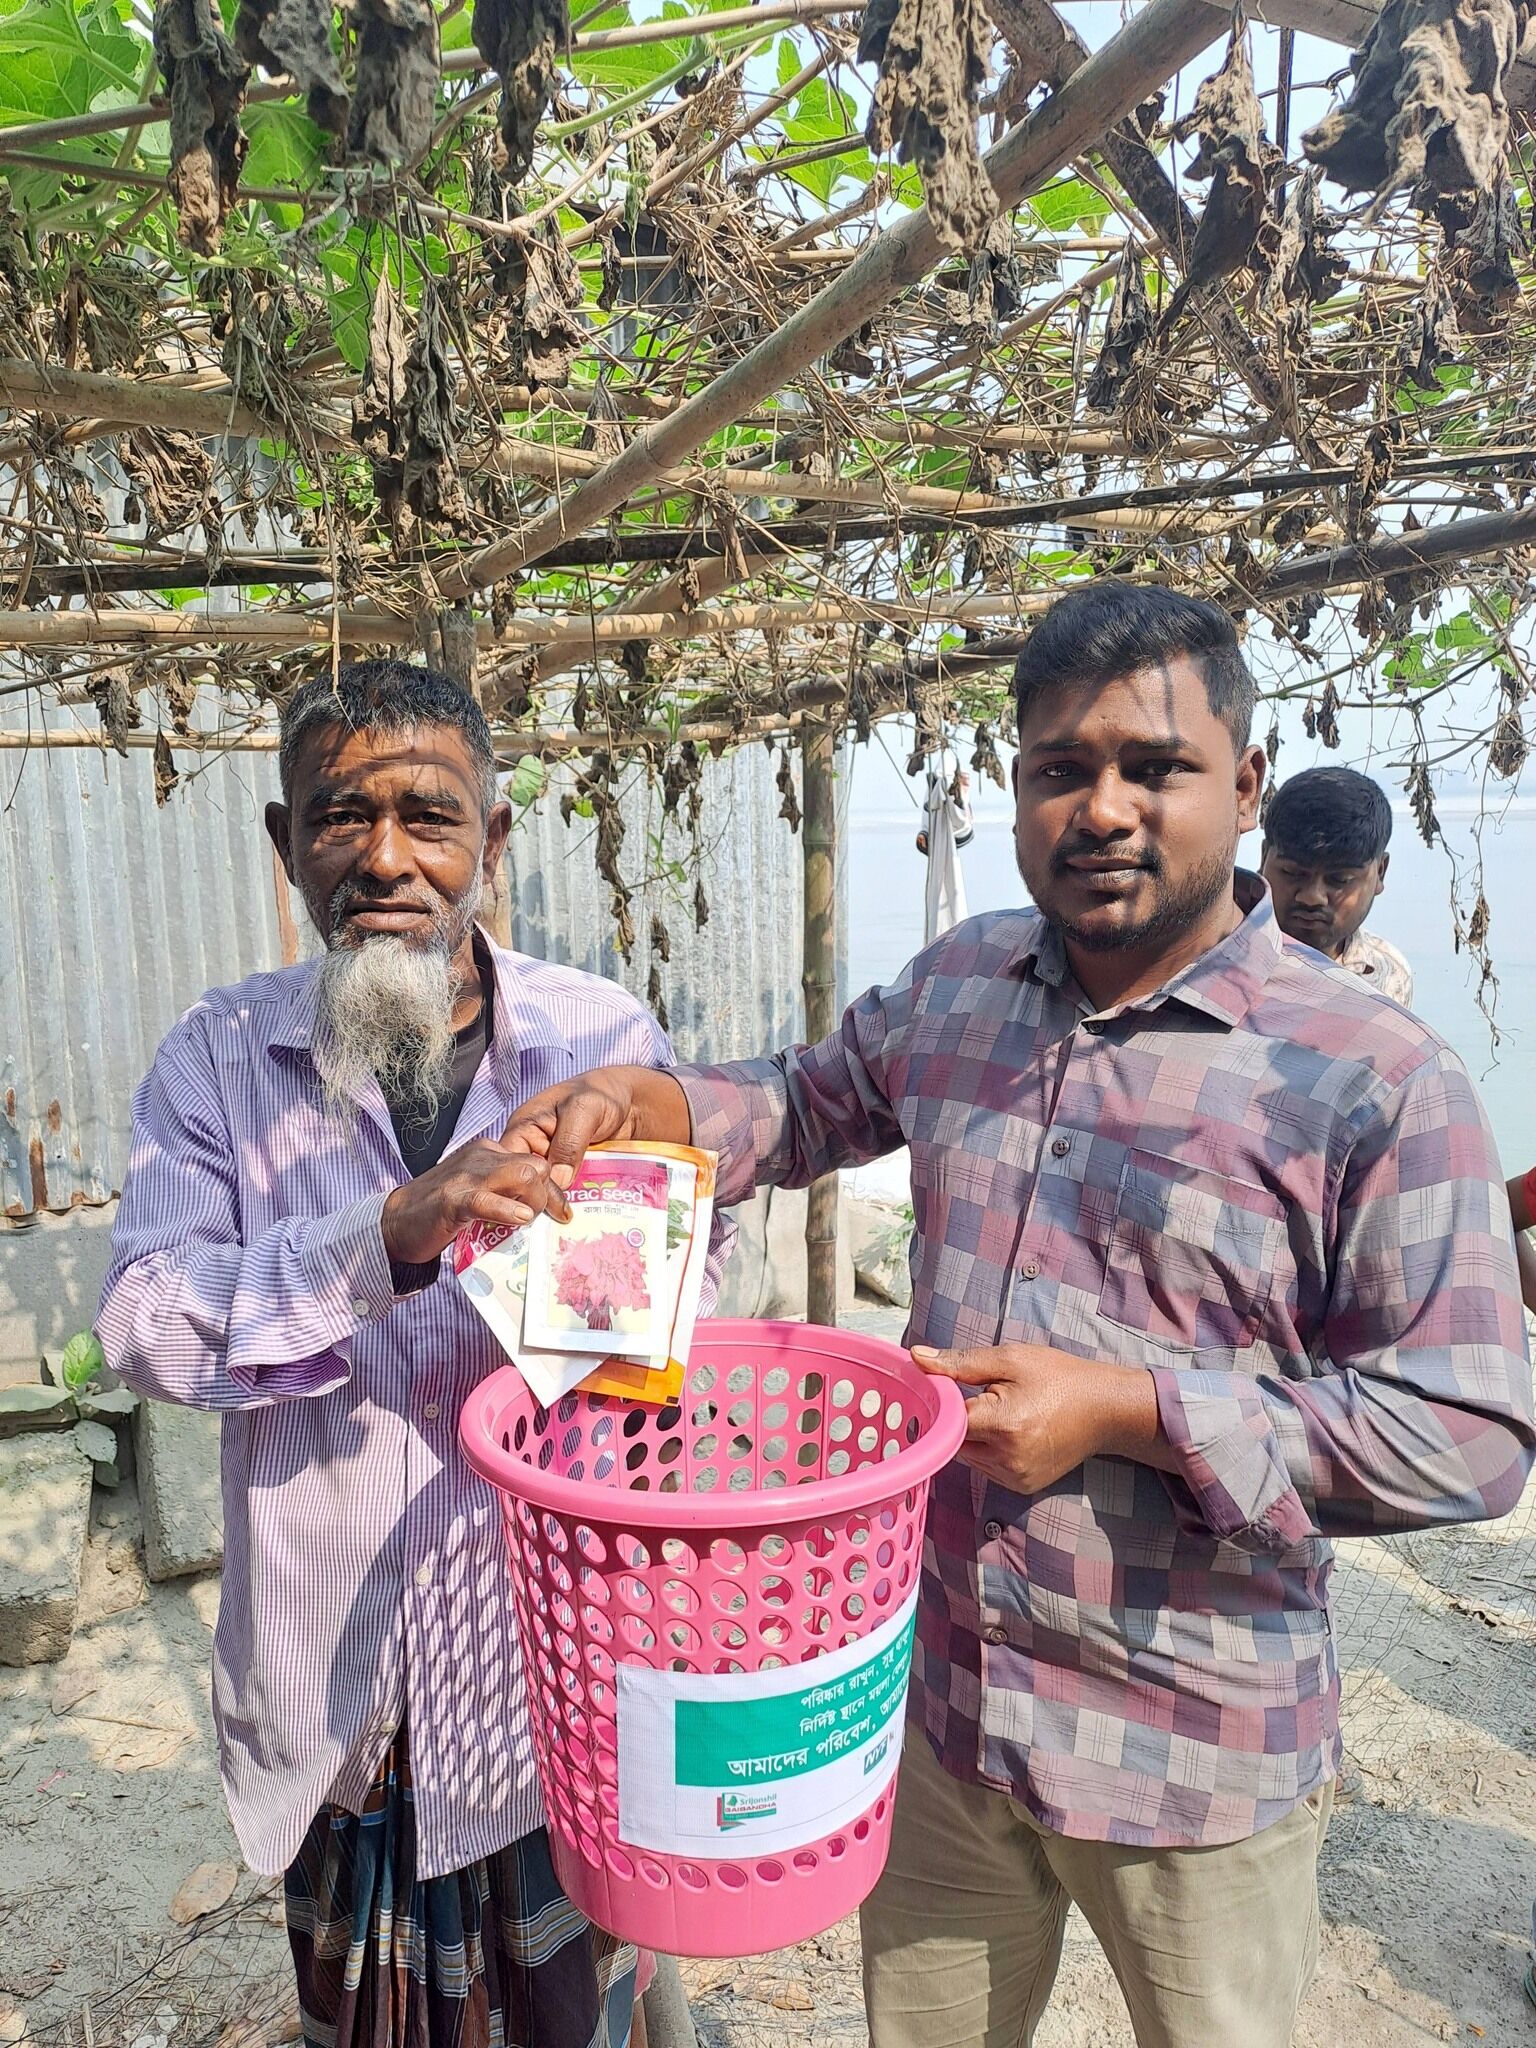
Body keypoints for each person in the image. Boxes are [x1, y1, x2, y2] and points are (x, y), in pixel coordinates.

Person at [499, 583, 1534, 2048]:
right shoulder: (965, 985)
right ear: (1016, 785)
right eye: (1062, 768)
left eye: (1154, 768)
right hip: (942, 1717)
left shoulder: (1372, 1073)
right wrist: (656, 1105)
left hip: (1197, 1750)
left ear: (1242, 786)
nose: (1103, 808)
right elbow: (807, 1099)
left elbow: (1474, 1431)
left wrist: (1131, 1410)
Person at [97, 662, 726, 2048]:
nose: (385, 856)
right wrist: (382, 1238)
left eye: (429, 816)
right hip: (342, 1701)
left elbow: (694, 1305)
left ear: (492, 843)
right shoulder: (217, 1059)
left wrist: (610, 1281)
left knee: (585, 2018)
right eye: (341, 816)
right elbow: (143, 1315)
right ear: (285, 846)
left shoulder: (602, 1043)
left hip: (548, 1678)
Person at [1259, 764, 1413, 1003]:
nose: (1312, 897)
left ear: (1380, 872)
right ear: (1264, 858)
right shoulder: (1214, 955)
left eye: (1339, 880)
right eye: (1292, 873)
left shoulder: (1390, 974)